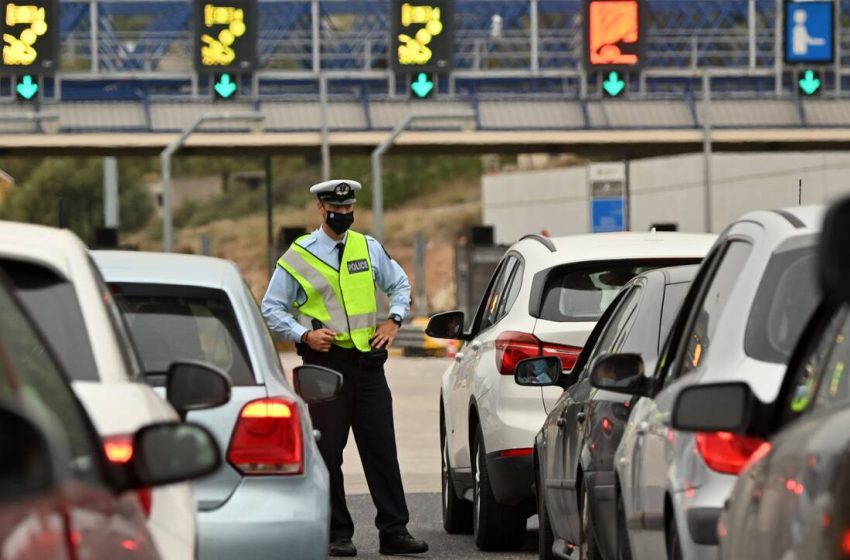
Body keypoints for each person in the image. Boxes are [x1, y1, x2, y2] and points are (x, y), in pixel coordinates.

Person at [261, 179, 428, 557]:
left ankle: (394, 531)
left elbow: (400, 284)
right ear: (321, 209)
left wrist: (394, 320)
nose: (342, 216)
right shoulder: (298, 255)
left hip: (368, 366)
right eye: (335, 211)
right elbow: (271, 308)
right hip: (325, 367)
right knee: (328, 453)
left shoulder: (367, 247)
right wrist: (303, 336)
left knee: (381, 448)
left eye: (348, 209)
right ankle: (337, 533)